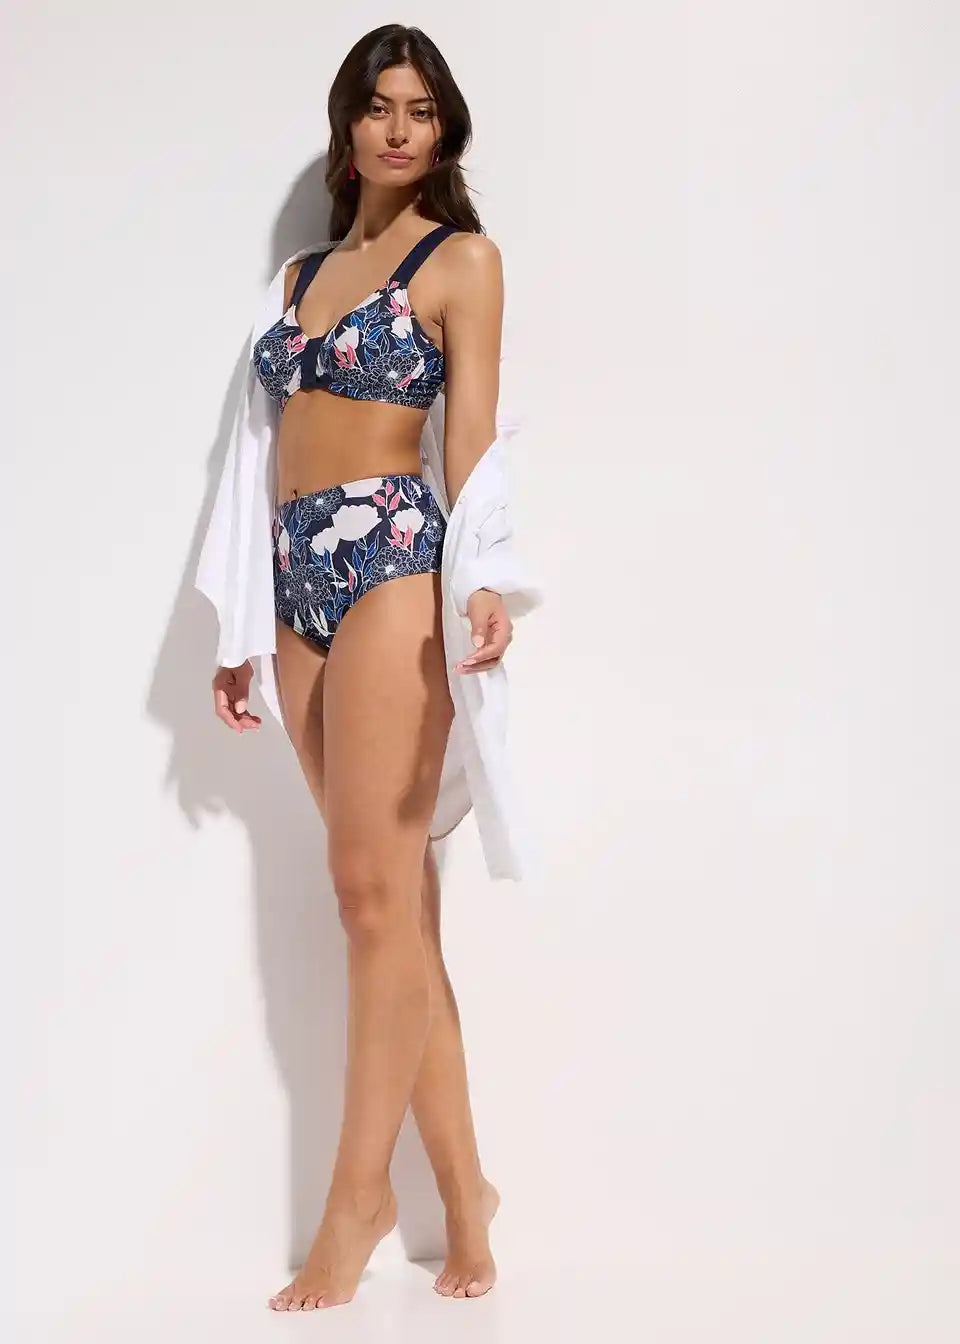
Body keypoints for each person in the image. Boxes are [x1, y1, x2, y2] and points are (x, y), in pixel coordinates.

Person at [194, 23, 543, 1312]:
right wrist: (240, 624)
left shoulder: (462, 261)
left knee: (365, 895)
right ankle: (469, 1197)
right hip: (295, 575)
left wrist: (486, 578)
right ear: (348, 125)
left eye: (422, 110)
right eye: (380, 107)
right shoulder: (298, 276)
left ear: (443, 130)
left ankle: (359, 1200)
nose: (400, 129)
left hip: (395, 555)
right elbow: (255, 456)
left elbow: (475, 442)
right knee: (400, 911)